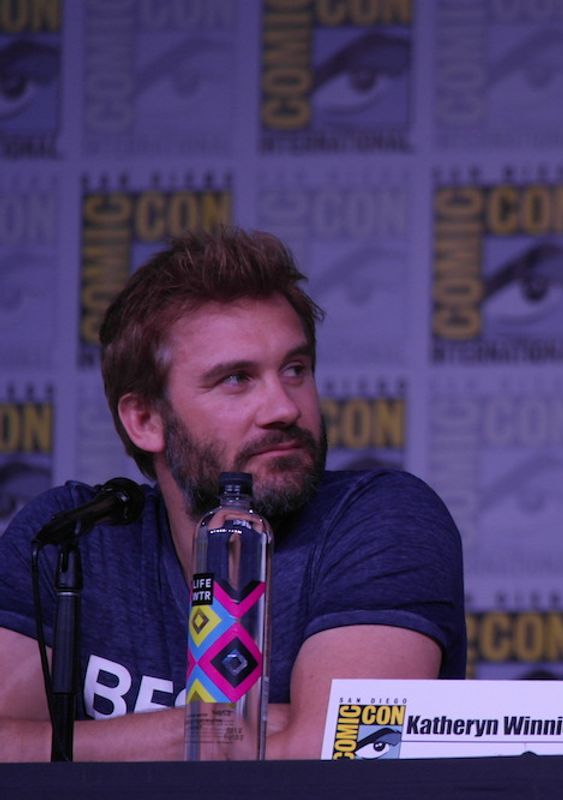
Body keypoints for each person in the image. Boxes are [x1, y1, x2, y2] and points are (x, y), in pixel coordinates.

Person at [0, 227, 466, 761]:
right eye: (237, 379)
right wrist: (202, 730)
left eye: (295, 370)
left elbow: (340, 755)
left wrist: (77, 746)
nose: (284, 408)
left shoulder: (381, 520)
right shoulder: (75, 536)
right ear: (145, 420)